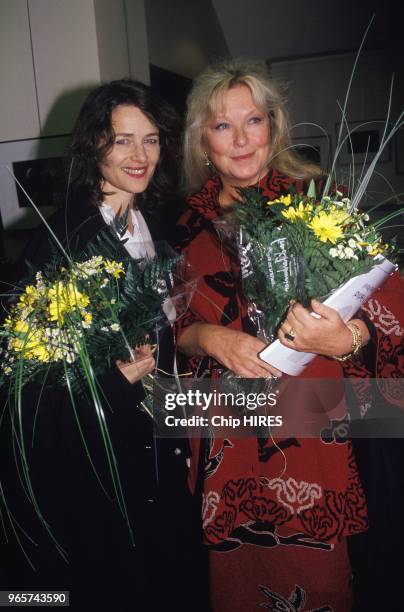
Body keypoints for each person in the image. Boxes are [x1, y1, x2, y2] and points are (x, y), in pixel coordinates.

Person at [175, 59, 403, 611]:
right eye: (222, 126)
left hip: (316, 444)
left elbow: (392, 300)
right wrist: (208, 338)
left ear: (274, 126)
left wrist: (344, 339)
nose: (241, 139)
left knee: (320, 584)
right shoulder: (185, 227)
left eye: (253, 120)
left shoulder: (321, 198)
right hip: (226, 448)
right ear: (202, 142)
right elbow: (169, 329)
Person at [1, 79, 207, 611]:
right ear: (94, 144)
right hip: (100, 475)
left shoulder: (153, 225)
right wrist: (116, 384)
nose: (140, 156)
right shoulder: (61, 240)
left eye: (153, 139)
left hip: (160, 453)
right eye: (122, 140)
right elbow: (30, 395)